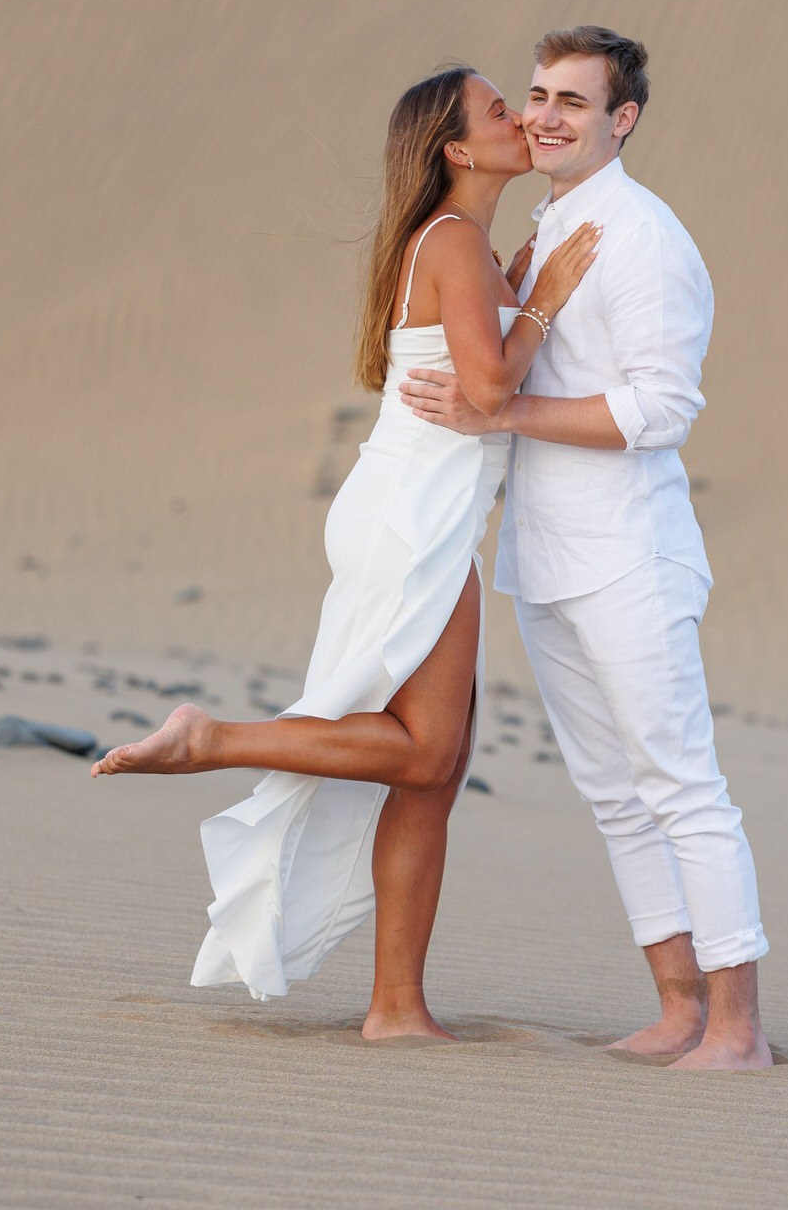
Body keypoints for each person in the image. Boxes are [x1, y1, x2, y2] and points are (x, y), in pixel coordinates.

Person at [89, 66, 601, 1041]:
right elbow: (491, 392)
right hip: (416, 516)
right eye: (501, 109)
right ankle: (211, 740)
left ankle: (396, 1009)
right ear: (456, 147)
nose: (524, 119)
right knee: (428, 752)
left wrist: (525, 279)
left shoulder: (470, 247)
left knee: (433, 772)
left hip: (423, 510)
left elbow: (479, 378)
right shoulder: (451, 240)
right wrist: (547, 302)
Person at [400, 27, 771, 1070]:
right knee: (611, 789)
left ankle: (738, 1026)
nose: (545, 115)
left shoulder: (645, 238)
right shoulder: (550, 216)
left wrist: (503, 416)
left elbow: (661, 409)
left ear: (624, 120)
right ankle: (676, 1006)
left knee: (679, 784)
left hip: (629, 552)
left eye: (573, 100)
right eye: (536, 94)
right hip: (547, 554)